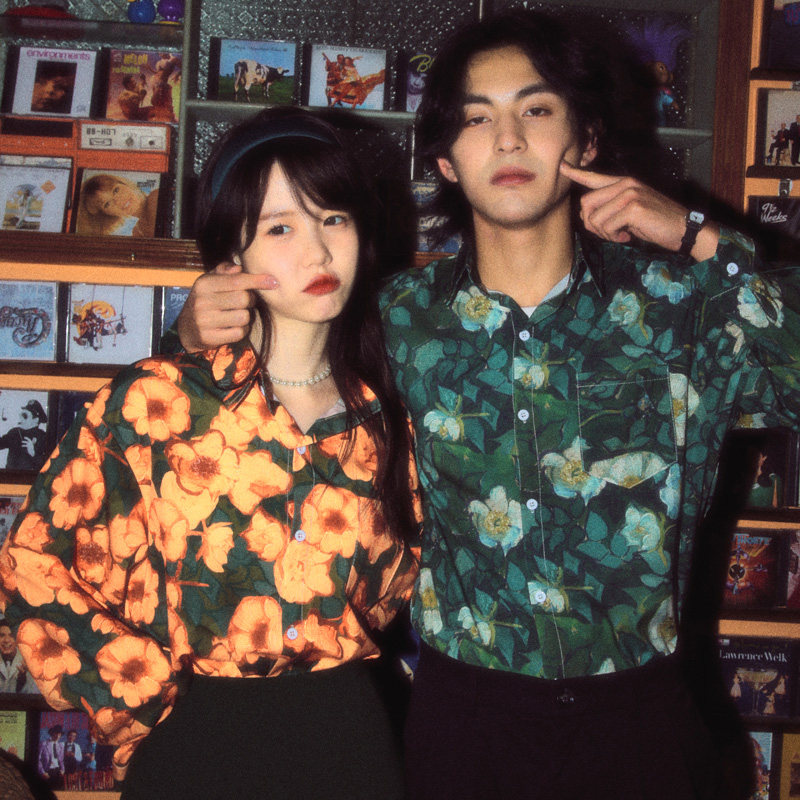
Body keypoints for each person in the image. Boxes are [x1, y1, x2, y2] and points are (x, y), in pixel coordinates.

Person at [175, 9, 800, 799]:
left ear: (586, 141)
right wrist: (193, 333)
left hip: (643, 722)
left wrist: (699, 237)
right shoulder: (394, 319)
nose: (508, 139)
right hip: (466, 724)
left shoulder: (683, 307)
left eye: (536, 110)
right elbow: (243, 420)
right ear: (444, 159)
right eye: (477, 118)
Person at [0, 107, 420, 799]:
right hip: (197, 739)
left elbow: (396, 588)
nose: (317, 251)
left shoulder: (385, 418)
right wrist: (144, 696)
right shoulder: (157, 399)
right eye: (280, 227)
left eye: (334, 218)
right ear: (232, 258)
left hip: (348, 741)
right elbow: (31, 563)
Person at [75, 173, 160, 237]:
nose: (118, 200)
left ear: (123, 183)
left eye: (116, 190)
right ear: (107, 215)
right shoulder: (137, 232)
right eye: (107, 204)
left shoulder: (154, 198)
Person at [0, 399, 48, 472]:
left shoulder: (43, 437)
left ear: (36, 420)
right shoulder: (14, 432)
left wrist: (33, 453)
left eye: (24, 416)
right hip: (10, 477)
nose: (21, 418)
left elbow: (48, 466)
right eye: (21, 415)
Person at [0, 617, 36, 693]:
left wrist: (22, 682)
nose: (6, 640)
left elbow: (34, 696)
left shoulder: (29, 662)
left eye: (11, 636)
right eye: (2, 635)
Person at [37, 725, 64, 790]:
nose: (57, 736)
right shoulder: (43, 744)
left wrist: (63, 770)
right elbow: (38, 760)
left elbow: (61, 760)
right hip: (47, 772)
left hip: (57, 772)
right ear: (52, 733)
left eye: (59, 734)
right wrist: (42, 772)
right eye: (56, 733)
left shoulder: (61, 746)